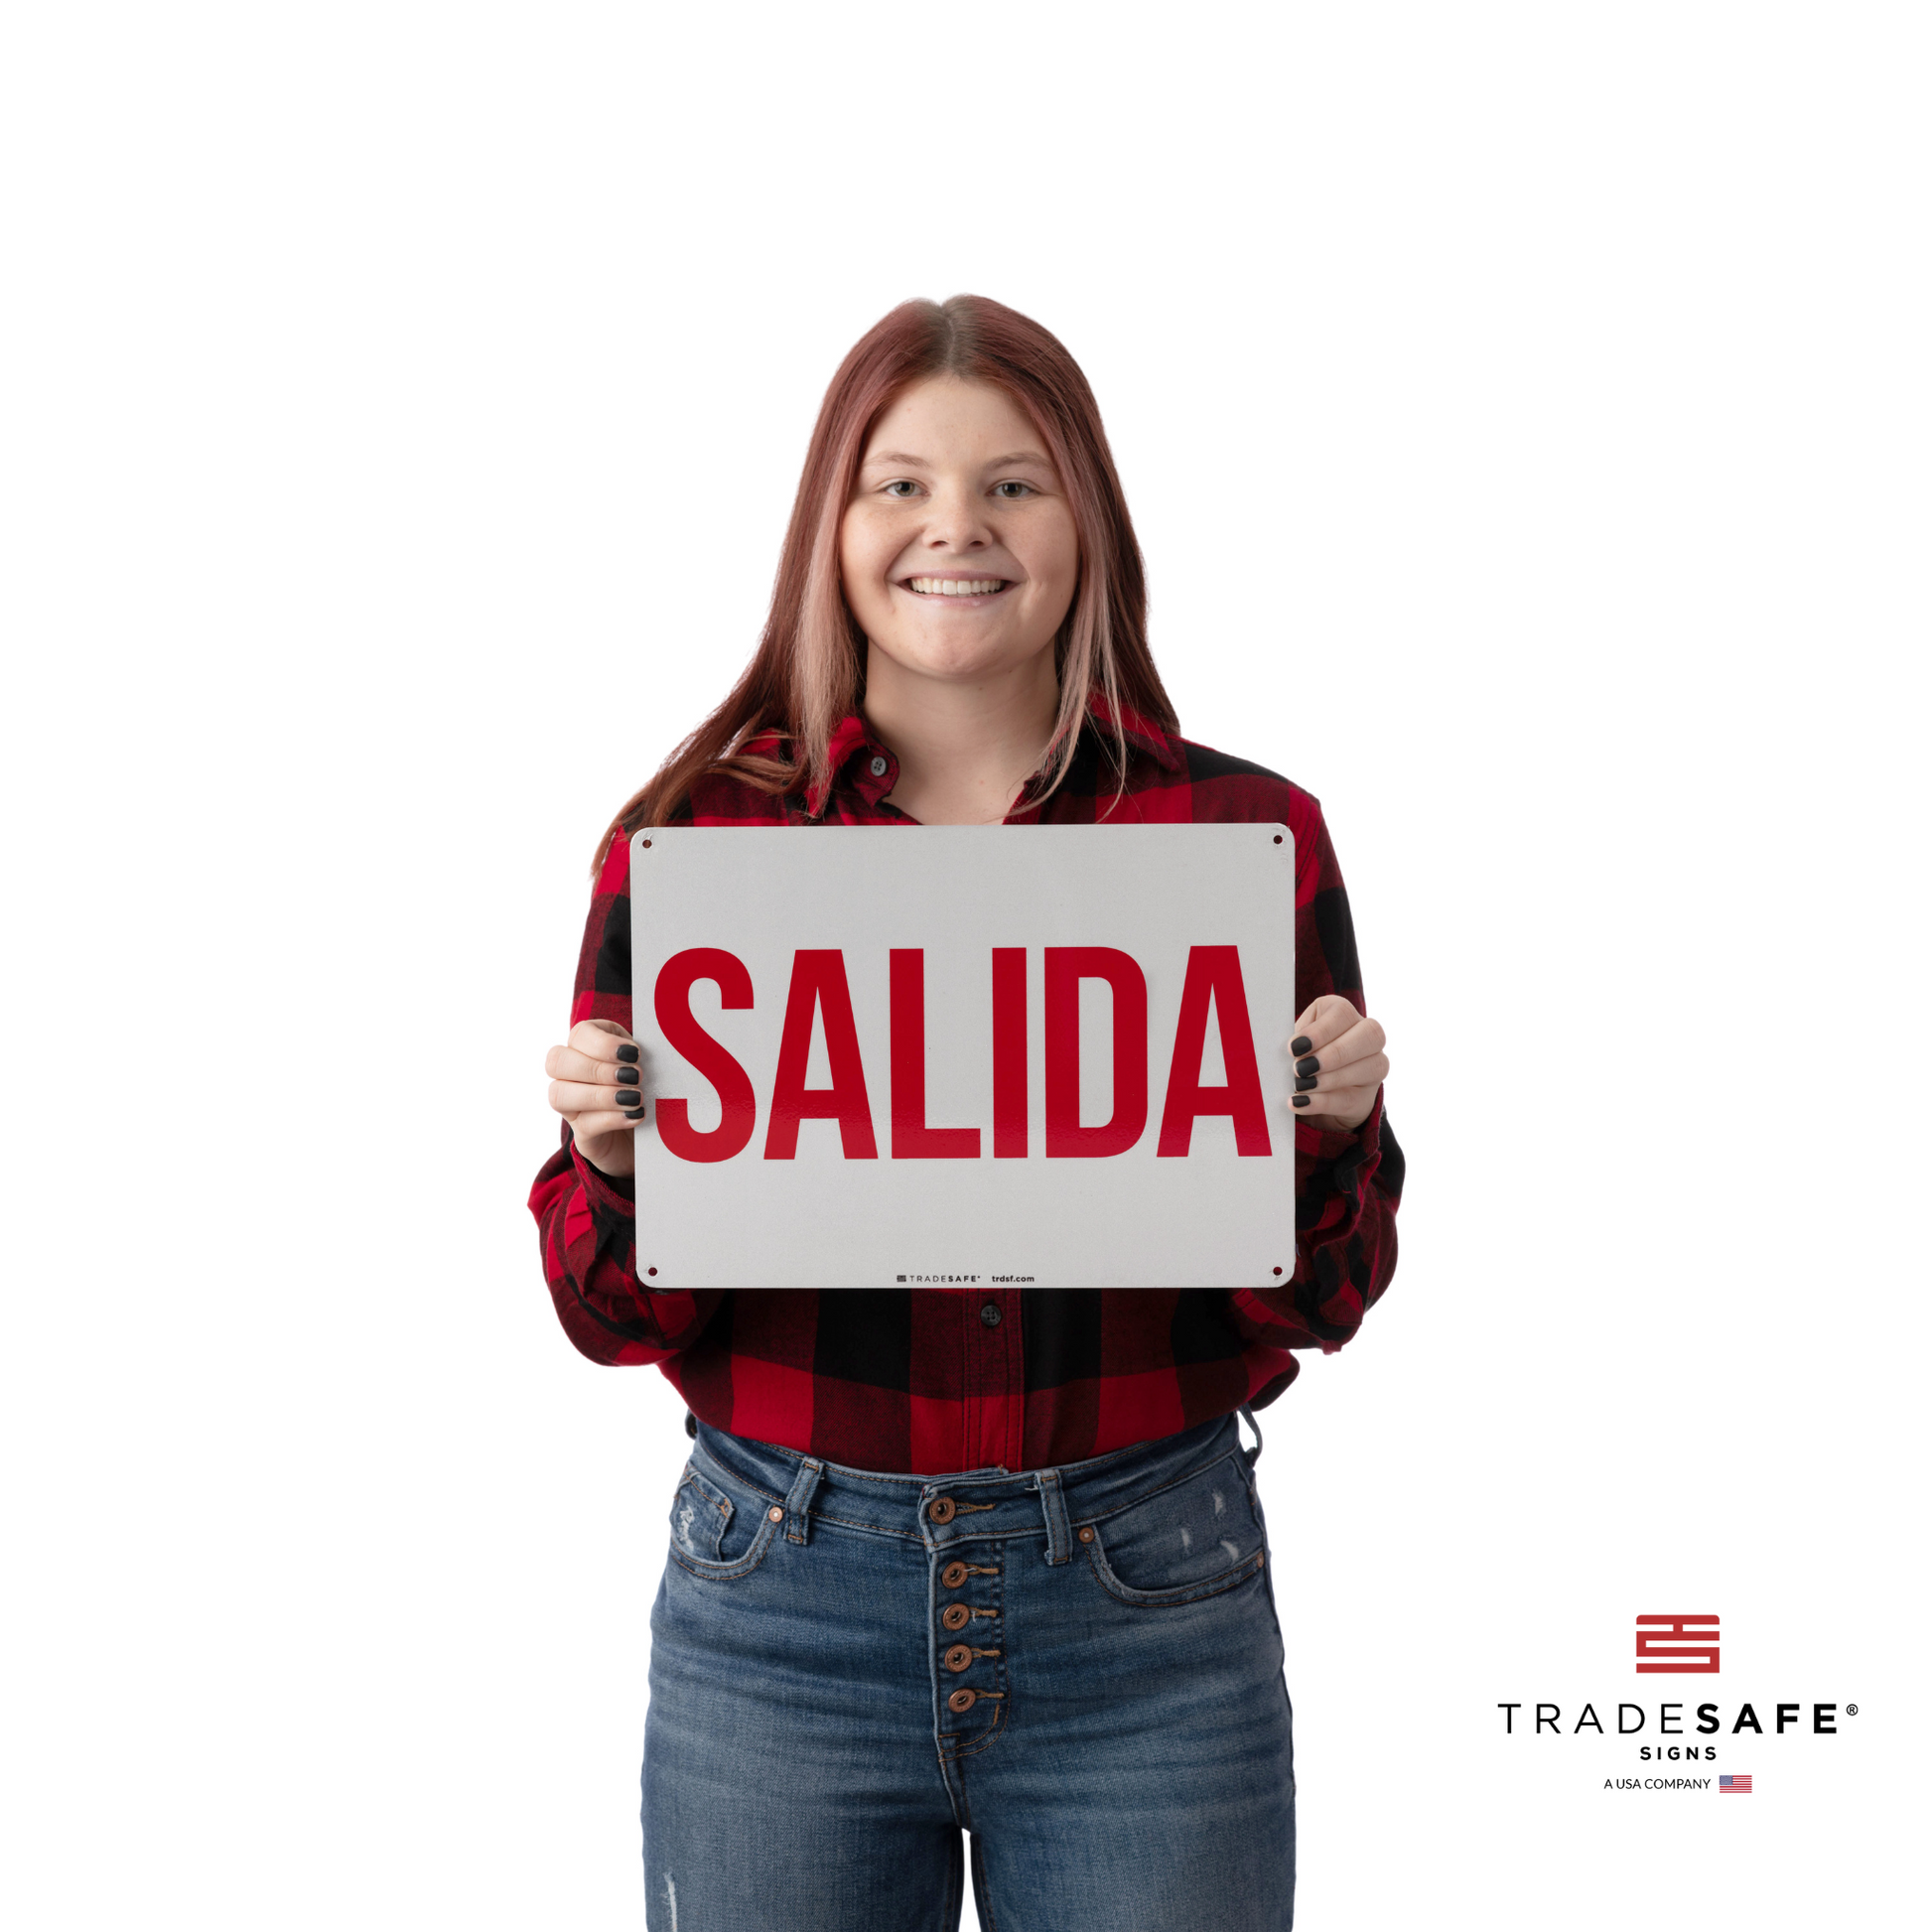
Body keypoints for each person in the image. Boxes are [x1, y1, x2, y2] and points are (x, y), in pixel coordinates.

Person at [529, 295, 1402, 1932]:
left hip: (1151, 1596)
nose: (955, 527)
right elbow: (607, 1310)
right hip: (779, 1594)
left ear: (1086, 519)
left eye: (1013, 483)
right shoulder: (699, 840)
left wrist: (1322, 1133)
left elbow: (1327, 1297)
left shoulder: (1239, 836)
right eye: (899, 483)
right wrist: (616, 1159)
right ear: (831, 528)